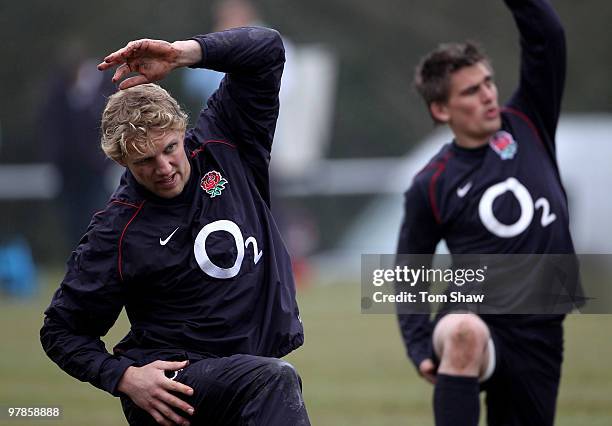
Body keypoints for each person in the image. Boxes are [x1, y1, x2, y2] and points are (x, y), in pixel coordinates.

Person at [40, 27, 310, 426]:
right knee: (272, 381)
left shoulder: (228, 141)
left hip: (238, 375)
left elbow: (267, 49)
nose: (164, 168)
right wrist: (125, 378)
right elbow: (61, 331)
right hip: (171, 390)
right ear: (121, 162)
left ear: (182, 131)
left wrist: (184, 54)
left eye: (169, 148)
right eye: (145, 161)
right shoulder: (116, 229)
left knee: (263, 379)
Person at [396, 0, 573, 425]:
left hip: (539, 329)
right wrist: (420, 346)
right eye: (471, 91)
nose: (489, 94)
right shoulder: (431, 182)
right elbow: (410, 269)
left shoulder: (528, 122)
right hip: (474, 314)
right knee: (463, 332)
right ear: (442, 110)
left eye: (489, 82)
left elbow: (547, 39)